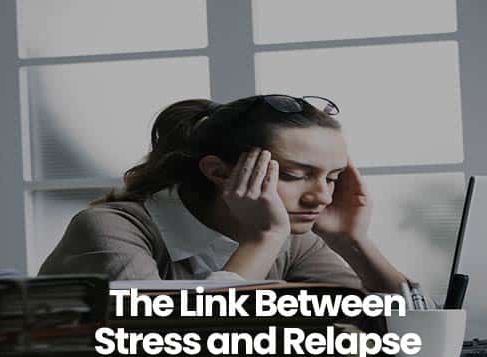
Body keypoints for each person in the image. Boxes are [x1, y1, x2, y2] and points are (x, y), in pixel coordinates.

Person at [39, 94, 413, 293]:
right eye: (296, 175)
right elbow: (161, 341)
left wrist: (354, 243)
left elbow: (410, 337)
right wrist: (262, 239)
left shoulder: (295, 239)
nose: (322, 197)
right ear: (218, 172)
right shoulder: (111, 230)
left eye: (332, 178)